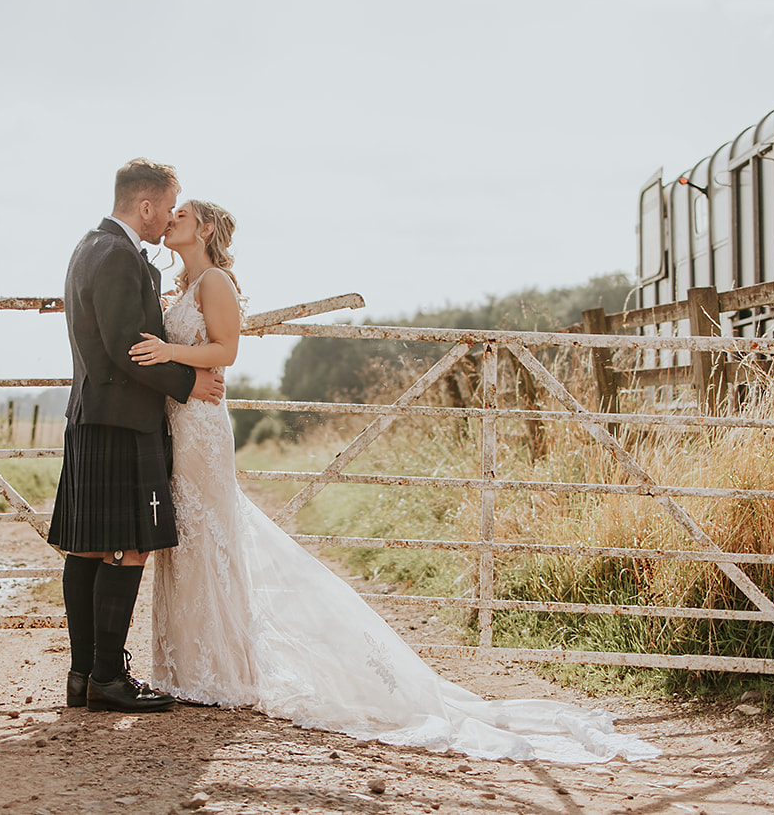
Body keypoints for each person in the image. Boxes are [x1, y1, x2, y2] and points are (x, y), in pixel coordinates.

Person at [130, 200, 660, 762]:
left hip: (204, 430)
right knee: (186, 540)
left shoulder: (215, 281)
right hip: (177, 423)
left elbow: (226, 351)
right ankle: (187, 666)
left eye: (182, 213)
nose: (171, 218)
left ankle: (222, 672)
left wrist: (169, 351)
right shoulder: (177, 286)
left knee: (212, 536)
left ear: (206, 227)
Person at [49, 159, 226, 714]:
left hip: (94, 416)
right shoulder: (120, 257)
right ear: (144, 206)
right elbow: (131, 347)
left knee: (89, 546)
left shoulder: (89, 247)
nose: (168, 218)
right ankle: (107, 676)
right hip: (123, 418)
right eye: (166, 208)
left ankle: (85, 676)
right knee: (131, 546)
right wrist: (188, 382)